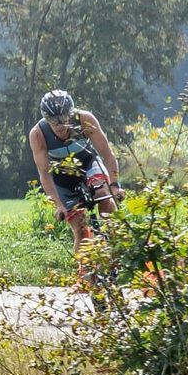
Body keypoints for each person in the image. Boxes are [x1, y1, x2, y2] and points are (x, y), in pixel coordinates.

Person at [28, 90, 119, 254]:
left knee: (103, 195)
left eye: (63, 118)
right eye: (52, 120)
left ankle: (112, 243)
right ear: (45, 118)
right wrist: (59, 205)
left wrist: (115, 185)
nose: (59, 126)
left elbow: (107, 155)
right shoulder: (38, 134)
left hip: (88, 164)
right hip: (62, 177)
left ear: (71, 113)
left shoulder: (85, 120)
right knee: (80, 229)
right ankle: (85, 275)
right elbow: (45, 174)